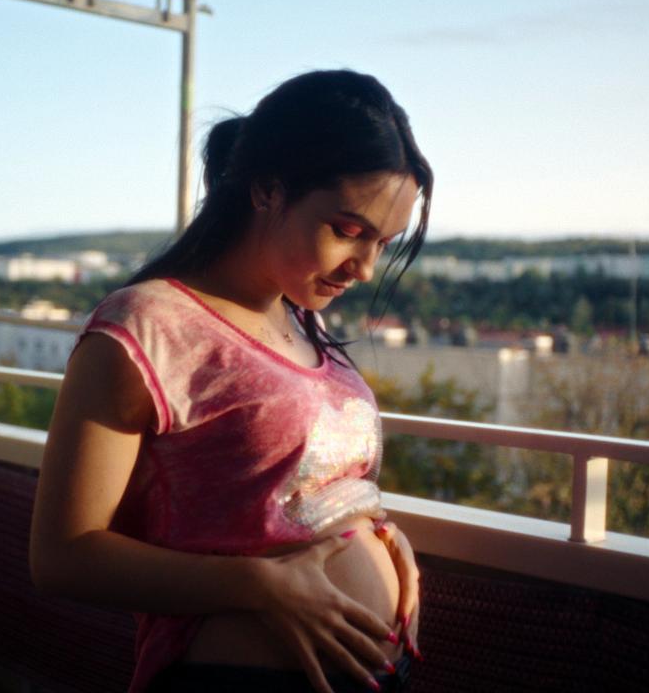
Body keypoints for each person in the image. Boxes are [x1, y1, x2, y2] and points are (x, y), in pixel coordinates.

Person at [29, 69, 434, 693]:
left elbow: (282, 493)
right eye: (348, 231)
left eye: (385, 242)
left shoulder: (305, 319)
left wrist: (375, 529)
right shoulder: (146, 325)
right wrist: (261, 587)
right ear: (268, 190)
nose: (364, 267)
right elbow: (64, 556)